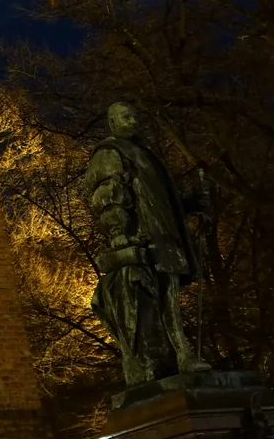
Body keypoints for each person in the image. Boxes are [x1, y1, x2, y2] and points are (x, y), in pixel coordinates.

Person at [83, 100, 212, 385]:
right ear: (113, 123)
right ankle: (174, 356)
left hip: (162, 235)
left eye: (134, 116)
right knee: (157, 300)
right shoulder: (110, 152)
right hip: (142, 238)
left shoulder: (143, 154)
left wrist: (189, 203)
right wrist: (117, 230)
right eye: (126, 117)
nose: (132, 121)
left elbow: (159, 198)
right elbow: (107, 191)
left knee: (170, 296)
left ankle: (181, 355)